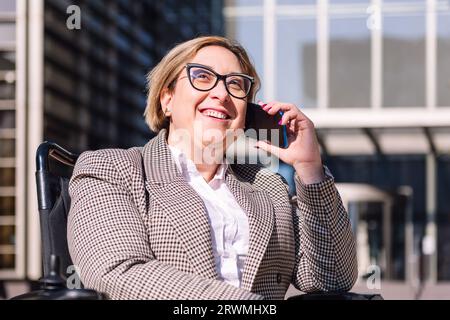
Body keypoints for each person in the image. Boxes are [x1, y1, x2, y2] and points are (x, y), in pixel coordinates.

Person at [67, 35, 357, 300]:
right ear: (166, 99)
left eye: (235, 84)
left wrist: (310, 169)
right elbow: (119, 274)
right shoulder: (112, 169)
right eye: (202, 77)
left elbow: (332, 278)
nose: (222, 93)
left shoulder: (268, 187)